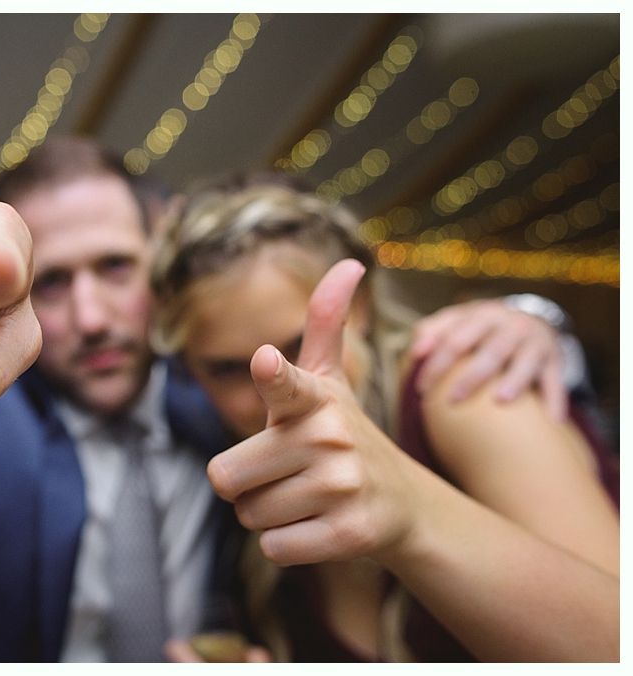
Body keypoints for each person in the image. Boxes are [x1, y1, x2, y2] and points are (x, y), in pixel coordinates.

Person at [0, 136, 584, 662]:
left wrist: (532, 319)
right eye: (51, 282)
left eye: (115, 268)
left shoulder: (232, 397)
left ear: (158, 268)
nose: (90, 316)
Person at [149, 184, 619, 661]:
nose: (274, 391)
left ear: (360, 308)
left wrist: (410, 508)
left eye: (299, 344)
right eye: (228, 370)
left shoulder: (462, 388)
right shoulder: (229, 472)